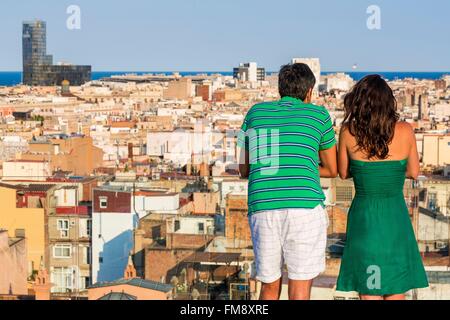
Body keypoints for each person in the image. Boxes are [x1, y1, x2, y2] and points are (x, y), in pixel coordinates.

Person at [238, 63, 338, 300]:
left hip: (263, 206)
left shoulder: (255, 113)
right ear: (309, 92)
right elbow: (332, 169)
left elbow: (243, 169)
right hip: (304, 208)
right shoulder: (319, 115)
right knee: (300, 289)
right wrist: (302, 165)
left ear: (280, 89)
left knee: (269, 286)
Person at [336, 74, 429, 300]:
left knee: (368, 290)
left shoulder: (349, 132)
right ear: (389, 102)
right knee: (396, 289)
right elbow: (414, 172)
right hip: (395, 218)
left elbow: (344, 172)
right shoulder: (405, 130)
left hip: (365, 219)